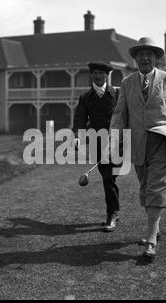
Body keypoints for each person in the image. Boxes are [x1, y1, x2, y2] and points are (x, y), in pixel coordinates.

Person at [108, 37, 166, 258]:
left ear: (155, 58)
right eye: (141, 54)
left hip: (162, 140)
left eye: (149, 54)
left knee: (157, 187)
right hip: (137, 143)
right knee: (145, 188)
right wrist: (113, 139)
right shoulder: (127, 83)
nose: (145, 58)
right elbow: (119, 114)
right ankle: (155, 227)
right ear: (135, 59)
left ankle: (151, 239)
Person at [72, 61, 121, 232]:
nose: (98, 76)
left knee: (110, 178)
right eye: (95, 73)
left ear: (107, 75)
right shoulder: (85, 97)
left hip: (117, 142)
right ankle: (113, 212)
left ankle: (113, 213)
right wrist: (78, 137)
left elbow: (127, 115)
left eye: (101, 73)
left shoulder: (117, 94)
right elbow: (79, 119)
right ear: (91, 75)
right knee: (108, 178)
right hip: (96, 143)